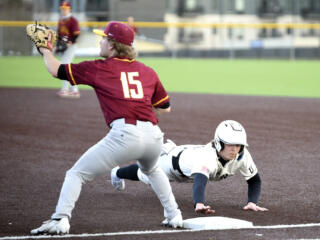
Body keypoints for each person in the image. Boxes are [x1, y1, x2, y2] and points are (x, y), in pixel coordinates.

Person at [30, 21, 183, 235]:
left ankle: (60, 219)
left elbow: (56, 70)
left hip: (125, 135)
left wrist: (44, 49)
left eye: (104, 38)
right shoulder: (147, 71)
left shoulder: (98, 68)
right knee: (152, 169)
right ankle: (174, 215)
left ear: (112, 45)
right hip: (154, 136)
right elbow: (164, 108)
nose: (100, 41)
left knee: (76, 174)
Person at [111, 120, 269, 216]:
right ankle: (116, 172)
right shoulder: (208, 157)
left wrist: (252, 202)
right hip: (172, 164)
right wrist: (199, 203)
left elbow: (254, 180)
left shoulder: (243, 156)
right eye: (230, 145)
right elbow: (200, 181)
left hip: (190, 159)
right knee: (144, 174)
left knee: (146, 173)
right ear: (219, 143)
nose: (235, 149)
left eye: (239, 145)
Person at [56, 1, 81, 98]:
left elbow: (77, 33)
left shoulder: (73, 20)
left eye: (65, 8)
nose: (63, 10)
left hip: (71, 46)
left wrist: (70, 42)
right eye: (62, 8)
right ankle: (74, 90)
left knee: (65, 67)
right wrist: (58, 46)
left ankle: (66, 90)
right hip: (63, 46)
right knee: (67, 67)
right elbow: (59, 34)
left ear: (69, 9)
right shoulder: (61, 20)